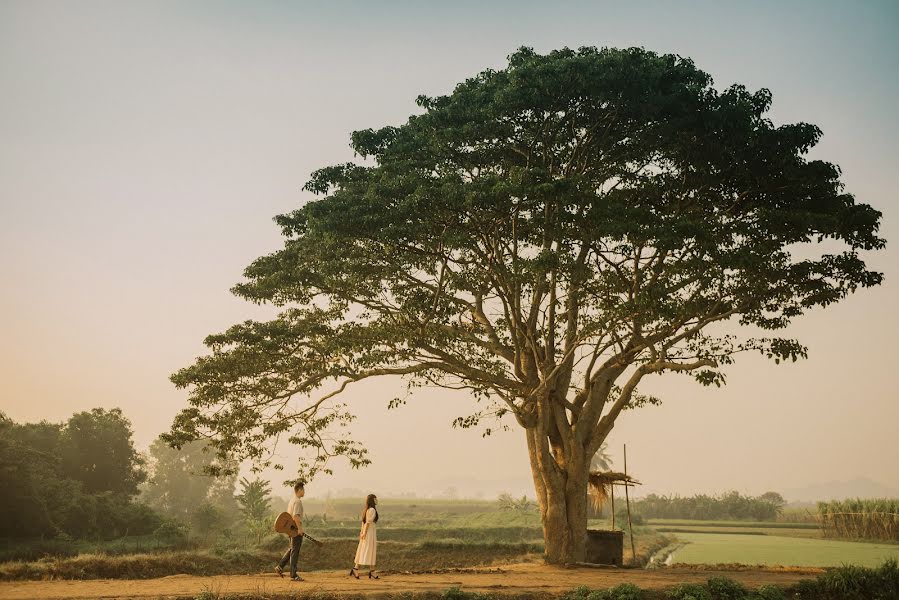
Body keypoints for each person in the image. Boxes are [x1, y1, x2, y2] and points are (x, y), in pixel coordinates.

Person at [276, 481, 306, 581]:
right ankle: (293, 575)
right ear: (300, 490)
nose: (304, 492)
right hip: (295, 529)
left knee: (292, 549)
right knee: (295, 551)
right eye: (303, 490)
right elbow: (295, 516)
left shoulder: (292, 500)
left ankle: (280, 566)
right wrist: (300, 529)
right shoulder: (297, 501)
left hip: (290, 529)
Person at [349, 493, 379, 579]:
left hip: (367, 532)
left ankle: (360, 569)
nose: (376, 500)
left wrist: (362, 532)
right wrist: (364, 533)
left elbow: (364, 522)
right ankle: (369, 571)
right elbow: (368, 523)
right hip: (369, 533)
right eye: (375, 499)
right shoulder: (372, 510)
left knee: (363, 550)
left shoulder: (367, 509)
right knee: (369, 550)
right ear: (372, 500)